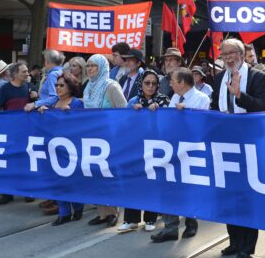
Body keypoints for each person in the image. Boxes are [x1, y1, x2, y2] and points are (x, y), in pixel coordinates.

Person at [210, 39, 265, 258]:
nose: (227, 57)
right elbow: (215, 108)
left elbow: (264, 107)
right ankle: (234, 240)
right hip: (225, 144)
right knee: (228, 194)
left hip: (249, 144)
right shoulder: (218, 78)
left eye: (232, 53)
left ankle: (247, 246)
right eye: (223, 53)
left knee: (246, 196)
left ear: (242, 54)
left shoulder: (257, 77)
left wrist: (239, 96)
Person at [150, 67, 210, 243]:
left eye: (173, 80)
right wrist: (156, 111)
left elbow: (202, 126)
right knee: (168, 185)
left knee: (188, 188)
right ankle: (170, 227)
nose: (170, 83)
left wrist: (187, 113)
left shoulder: (201, 99)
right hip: (173, 148)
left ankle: (191, 221)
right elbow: (169, 122)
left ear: (182, 82)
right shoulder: (175, 97)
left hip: (191, 151)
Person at [119, 70, 168, 233]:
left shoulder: (163, 101)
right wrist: (133, 113)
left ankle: (150, 218)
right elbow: (124, 124)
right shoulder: (133, 100)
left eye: (154, 83)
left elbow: (169, 124)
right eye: (147, 83)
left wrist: (159, 113)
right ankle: (131, 219)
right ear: (141, 83)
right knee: (133, 181)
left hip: (155, 148)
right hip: (136, 147)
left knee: (152, 182)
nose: (150, 86)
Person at [35, 73, 86, 226]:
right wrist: (44, 113)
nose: (58, 88)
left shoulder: (77, 103)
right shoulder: (54, 103)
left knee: (71, 181)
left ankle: (78, 207)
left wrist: (69, 114)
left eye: (61, 85)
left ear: (70, 86)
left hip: (71, 149)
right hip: (54, 148)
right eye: (56, 85)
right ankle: (64, 212)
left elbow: (82, 124)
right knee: (57, 181)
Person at [83, 54, 126, 227]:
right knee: (95, 174)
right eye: (88, 66)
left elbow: (124, 111)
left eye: (93, 66)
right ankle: (102, 213)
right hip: (92, 137)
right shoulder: (88, 87)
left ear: (102, 67)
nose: (89, 69)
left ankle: (113, 212)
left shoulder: (111, 86)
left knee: (109, 175)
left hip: (110, 138)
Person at [0, 61, 37, 207]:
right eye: (24, 71)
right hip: (10, 131)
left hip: (27, 131)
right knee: (9, 161)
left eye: (27, 71)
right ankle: (7, 192)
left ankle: (28, 191)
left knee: (25, 161)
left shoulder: (29, 87)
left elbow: (37, 104)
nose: (27, 74)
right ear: (15, 74)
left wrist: (36, 97)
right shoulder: (5, 89)